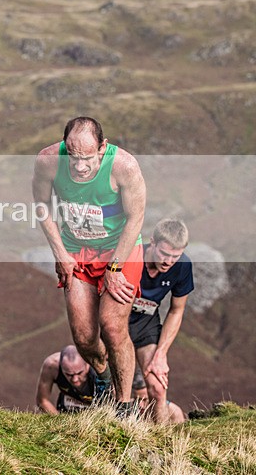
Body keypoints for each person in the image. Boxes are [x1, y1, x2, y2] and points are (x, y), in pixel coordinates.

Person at [32, 117, 146, 415]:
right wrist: (60, 254)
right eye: (72, 157)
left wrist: (115, 268)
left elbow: (136, 218)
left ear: (102, 147)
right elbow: (41, 205)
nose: (79, 166)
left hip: (119, 249)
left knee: (112, 325)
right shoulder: (47, 161)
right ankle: (106, 379)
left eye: (87, 158)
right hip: (76, 250)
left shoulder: (124, 166)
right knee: (83, 337)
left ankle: (124, 405)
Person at [130, 218, 193, 423]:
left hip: (146, 322)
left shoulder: (182, 266)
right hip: (117, 318)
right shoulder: (132, 255)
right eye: (164, 254)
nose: (168, 261)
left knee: (158, 389)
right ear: (152, 243)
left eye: (175, 256)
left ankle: (161, 444)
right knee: (112, 389)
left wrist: (161, 354)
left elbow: (176, 310)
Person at [36, 345, 96, 414]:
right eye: (69, 374)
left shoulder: (99, 367)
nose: (75, 380)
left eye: (79, 373)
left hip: (98, 407)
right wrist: (61, 421)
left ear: (87, 365)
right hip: (68, 406)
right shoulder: (52, 366)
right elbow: (43, 401)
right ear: (61, 366)